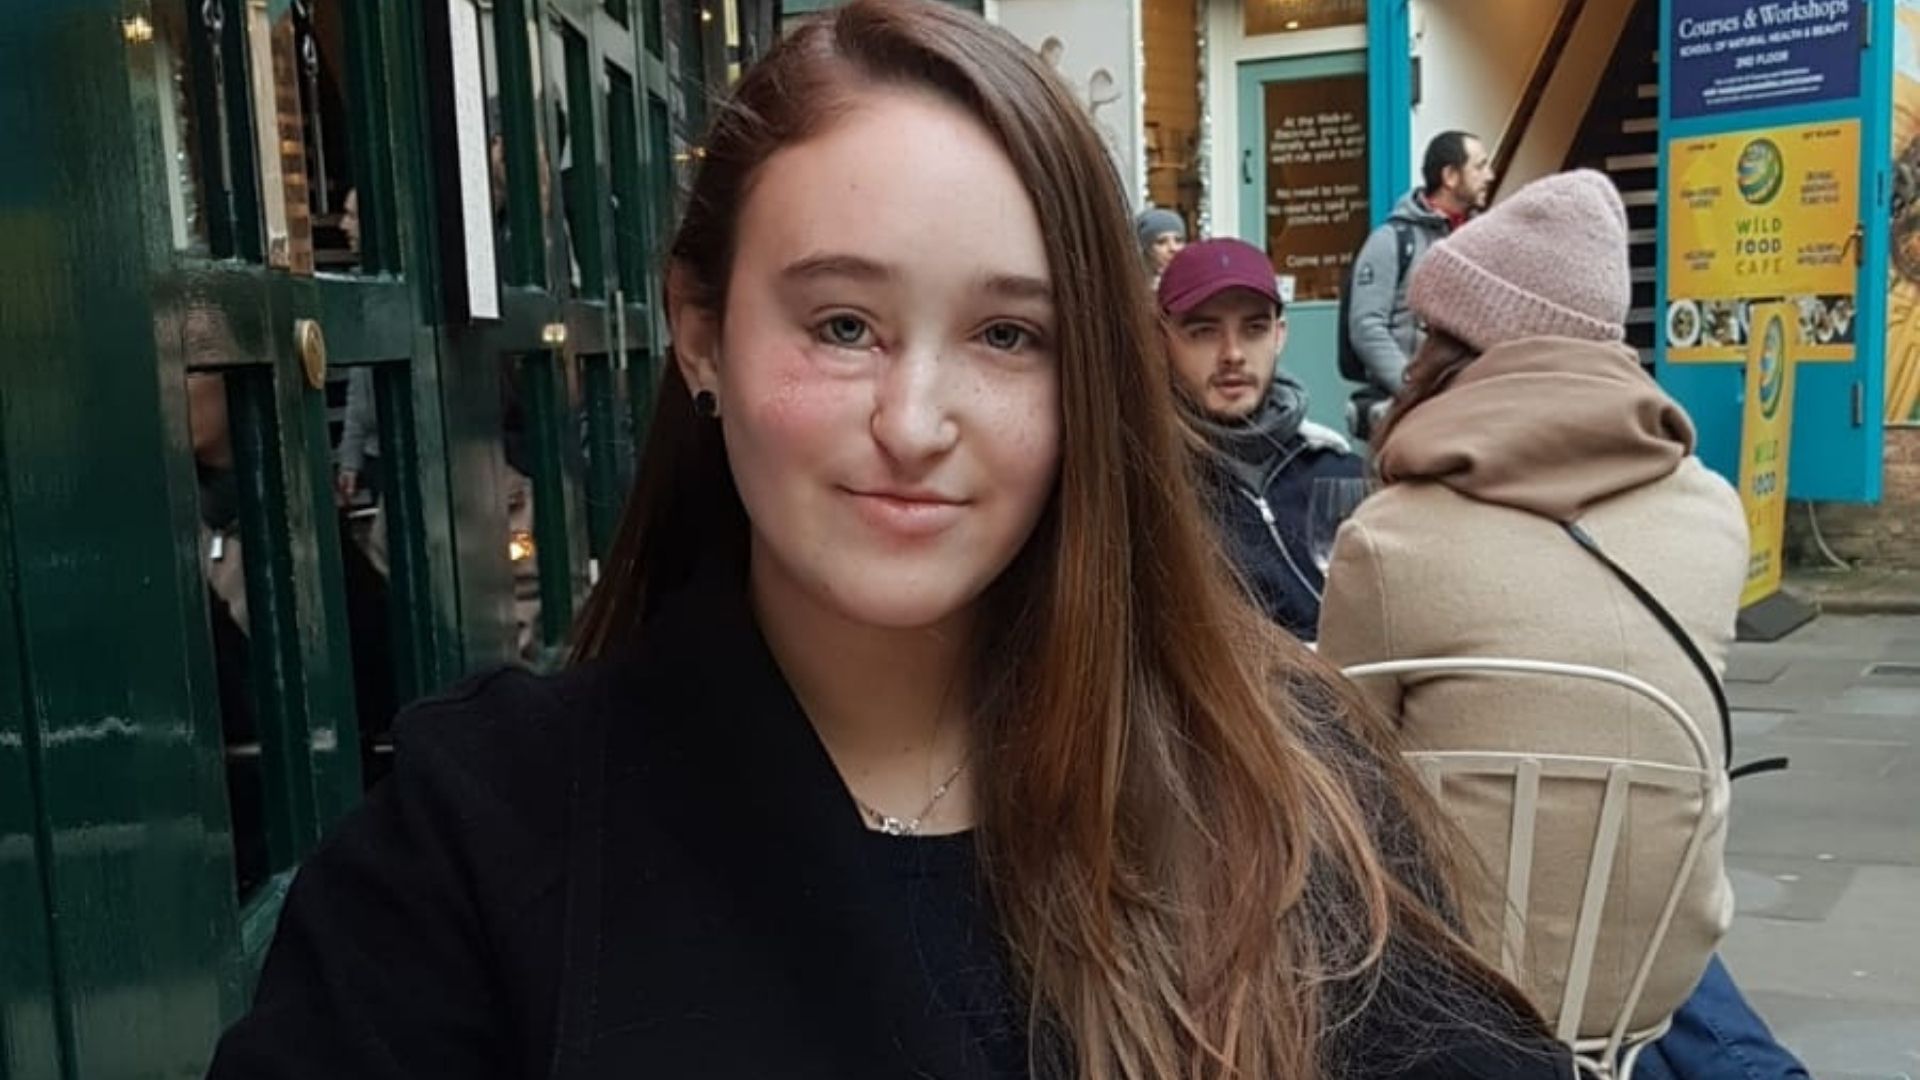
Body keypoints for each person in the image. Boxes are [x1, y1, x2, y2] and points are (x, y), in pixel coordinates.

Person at [208, 4, 1568, 1077]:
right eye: (842, 325)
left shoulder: (1274, 785)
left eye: (1006, 335)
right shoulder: (484, 840)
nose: (915, 423)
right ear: (700, 332)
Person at [1318, 169, 1809, 1079]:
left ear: (1459, 350)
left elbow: (1342, 794)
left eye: (1431, 330)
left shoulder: (1393, 539)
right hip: (1653, 987)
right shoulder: (1714, 514)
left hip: (1453, 1000)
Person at [1157, 237, 1363, 639]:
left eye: (1254, 329)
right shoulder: (1147, 488)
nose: (1233, 353)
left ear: (1279, 334)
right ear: (1159, 339)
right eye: (1203, 331)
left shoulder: (1335, 470)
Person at [1344, 130, 1493, 435]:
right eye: (1479, 166)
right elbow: (1366, 327)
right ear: (1450, 175)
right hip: (1410, 412)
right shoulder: (1391, 240)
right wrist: (1414, 387)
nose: (1489, 175)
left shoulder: (1478, 239)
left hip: (1463, 407)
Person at [1134, 205, 1185, 286]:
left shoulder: (1192, 284)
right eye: (1161, 242)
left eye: (1178, 240)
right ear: (1146, 248)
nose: (1173, 248)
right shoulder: (1135, 286)